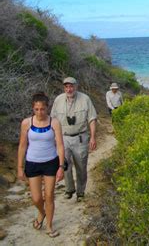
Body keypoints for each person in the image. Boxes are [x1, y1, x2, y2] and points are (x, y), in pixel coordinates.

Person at [17, 92, 65, 238]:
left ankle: (50, 226)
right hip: (32, 163)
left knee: (49, 195)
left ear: (47, 108)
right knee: (37, 198)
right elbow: (22, 146)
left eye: (42, 109)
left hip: (51, 162)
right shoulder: (27, 123)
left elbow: (60, 146)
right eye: (36, 109)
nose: (39, 112)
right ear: (33, 108)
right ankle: (42, 213)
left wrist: (61, 167)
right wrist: (20, 167)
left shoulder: (54, 122)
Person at [50, 77, 97, 202]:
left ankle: (81, 192)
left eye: (71, 86)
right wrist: (53, 138)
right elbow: (53, 120)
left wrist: (92, 137)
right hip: (63, 137)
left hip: (81, 137)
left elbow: (92, 119)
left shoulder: (85, 99)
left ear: (76, 86)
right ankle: (69, 189)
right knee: (65, 165)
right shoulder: (58, 100)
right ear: (64, 88)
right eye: (66, 87)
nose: (69, 89)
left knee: (81, 165)